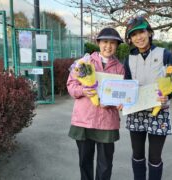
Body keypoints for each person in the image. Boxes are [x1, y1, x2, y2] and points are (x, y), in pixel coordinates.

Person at [123, 16, 172, 180]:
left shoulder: (165, 54)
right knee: (137, 154)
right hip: (136, 111)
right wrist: (122, 100)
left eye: (141, 32)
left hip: (159, 111)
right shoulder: (129, 58)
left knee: (155, 157)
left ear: (149, 32)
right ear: (130, 39)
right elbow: (126, 83)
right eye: (133, 35)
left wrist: (167, 95)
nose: (138, 37)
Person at [67, 27, 125, 180]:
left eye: (113, 43)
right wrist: (83, 91)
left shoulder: (120, 68)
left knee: (105, 163)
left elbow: (121, 94)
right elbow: (71, 86)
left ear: (117, 46)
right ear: (98, 43)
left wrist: (116, 103)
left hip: (107, 122)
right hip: (84, 120)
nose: (108, 46)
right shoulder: (83, 62)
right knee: (85, 161)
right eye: (105, 42)